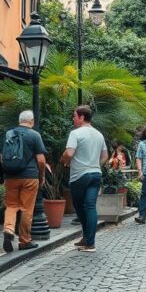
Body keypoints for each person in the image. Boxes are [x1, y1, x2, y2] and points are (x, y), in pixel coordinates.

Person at [0, 110, 47, 253]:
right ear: (31, 121)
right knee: (26, 208)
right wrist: (41, 176)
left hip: (10, 176)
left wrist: (9, 170)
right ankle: (25, 241)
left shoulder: (9, 134)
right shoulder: (34, 135)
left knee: (11, 206)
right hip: (29, 177)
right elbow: (41, 160)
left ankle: (9, 229)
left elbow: (2, 157)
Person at [61, 105, 108, 252]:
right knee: (90, 207)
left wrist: (64, 160)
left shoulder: (75, 134)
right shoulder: (99, 134)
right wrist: (95, 165)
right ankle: (89, 241)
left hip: (79, 176)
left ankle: (88, 239)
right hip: (95, 174)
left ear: (81, 117)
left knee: (80, 208)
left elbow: (69, 153)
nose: (73, 118)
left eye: (74, 116)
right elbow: (105, 156)